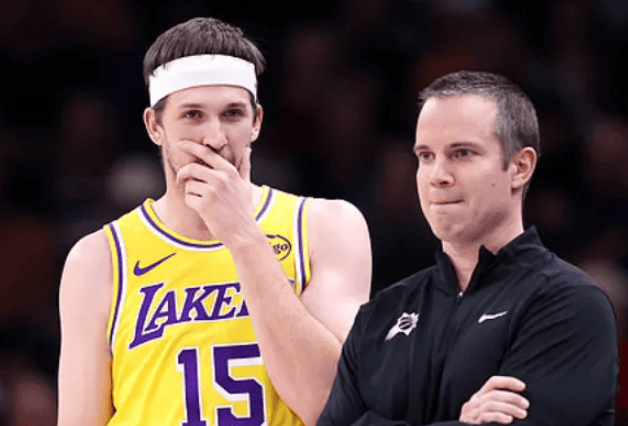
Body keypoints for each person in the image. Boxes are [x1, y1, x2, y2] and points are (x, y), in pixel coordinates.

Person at [56, 17, 372, 426]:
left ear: (256, 122)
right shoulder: (99, 258)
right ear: (154, 126)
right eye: (193, 115)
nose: (215, 138)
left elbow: (332, 408)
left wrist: (244, 237)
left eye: (232, 114)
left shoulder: (324, 227)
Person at [317, 70, 618, 426]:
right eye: (426, 156)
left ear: (520, 167)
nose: (437, 175)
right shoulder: (381, 313)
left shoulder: (570, 304)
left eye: (461, 153)